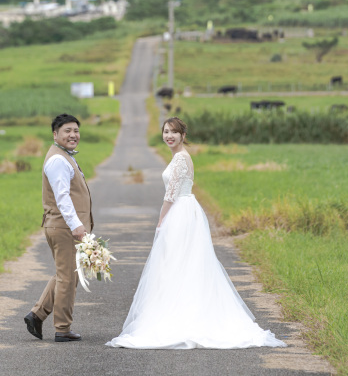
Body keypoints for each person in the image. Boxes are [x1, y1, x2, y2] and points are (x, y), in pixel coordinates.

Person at [106, 117, 286, 350]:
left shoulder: (181, 158)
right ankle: (180, 309)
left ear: (183, 136)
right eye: (166, 131)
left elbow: (170, 195)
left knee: (179, 262)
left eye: (174, 132)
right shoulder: (179, 157)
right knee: (181, 262)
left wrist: (161, 221)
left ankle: (182, 315)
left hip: (180, 212)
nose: (169, 136)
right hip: (185, 209)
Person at [24, 114, 94, 343]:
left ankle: (36, 315)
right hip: (64, 227)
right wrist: (77, 226)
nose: (73, 135)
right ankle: (62, 329)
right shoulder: (58, 160)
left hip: (64, 226)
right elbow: (63, 197)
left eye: (76, 130)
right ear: (55, 134)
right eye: (67, 131)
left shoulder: (64, 157)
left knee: (66, 274)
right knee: (67, 277)